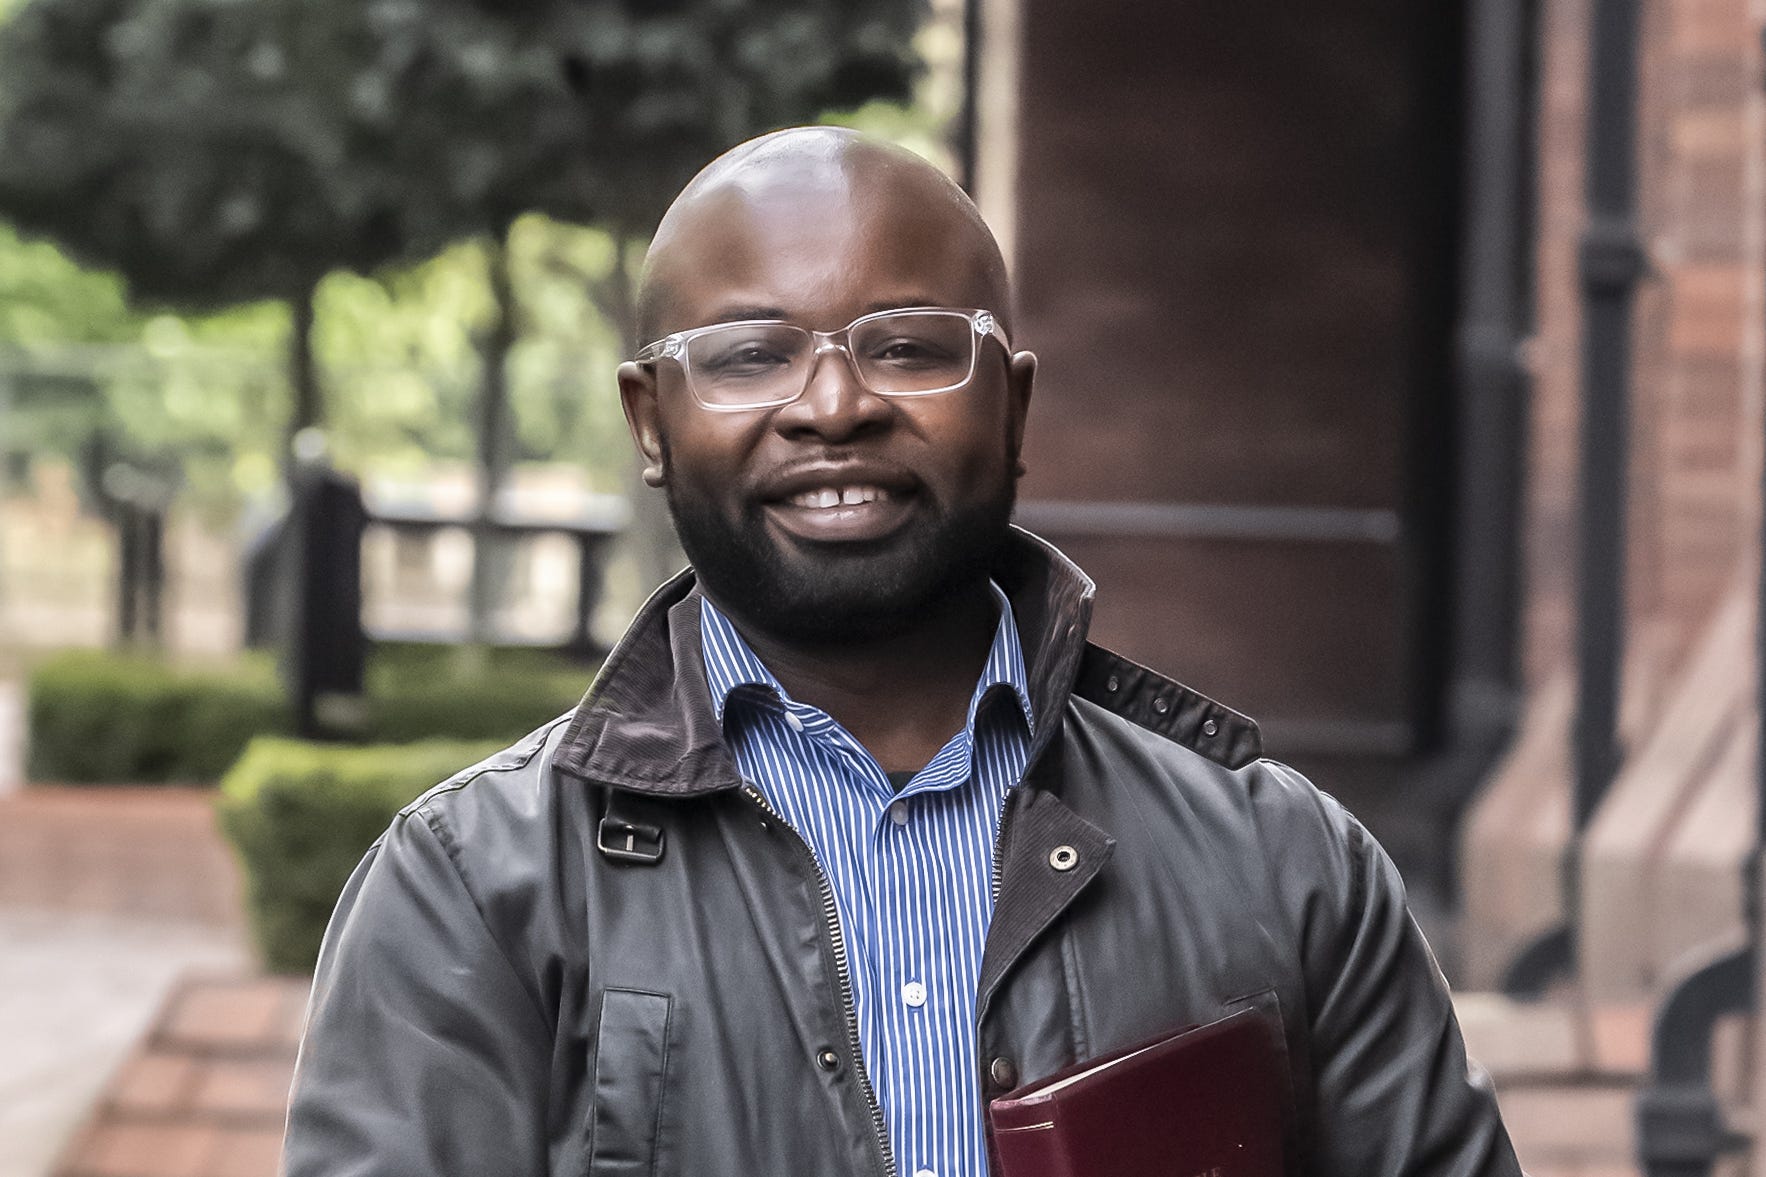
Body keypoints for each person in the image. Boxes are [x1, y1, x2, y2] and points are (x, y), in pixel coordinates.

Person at [283, 127, 1523, 1177]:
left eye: (909, 344)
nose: (833, 405)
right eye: (749, 354)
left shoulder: (1281, 863)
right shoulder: (472, 890)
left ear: (1013, 407)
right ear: (648, 423)